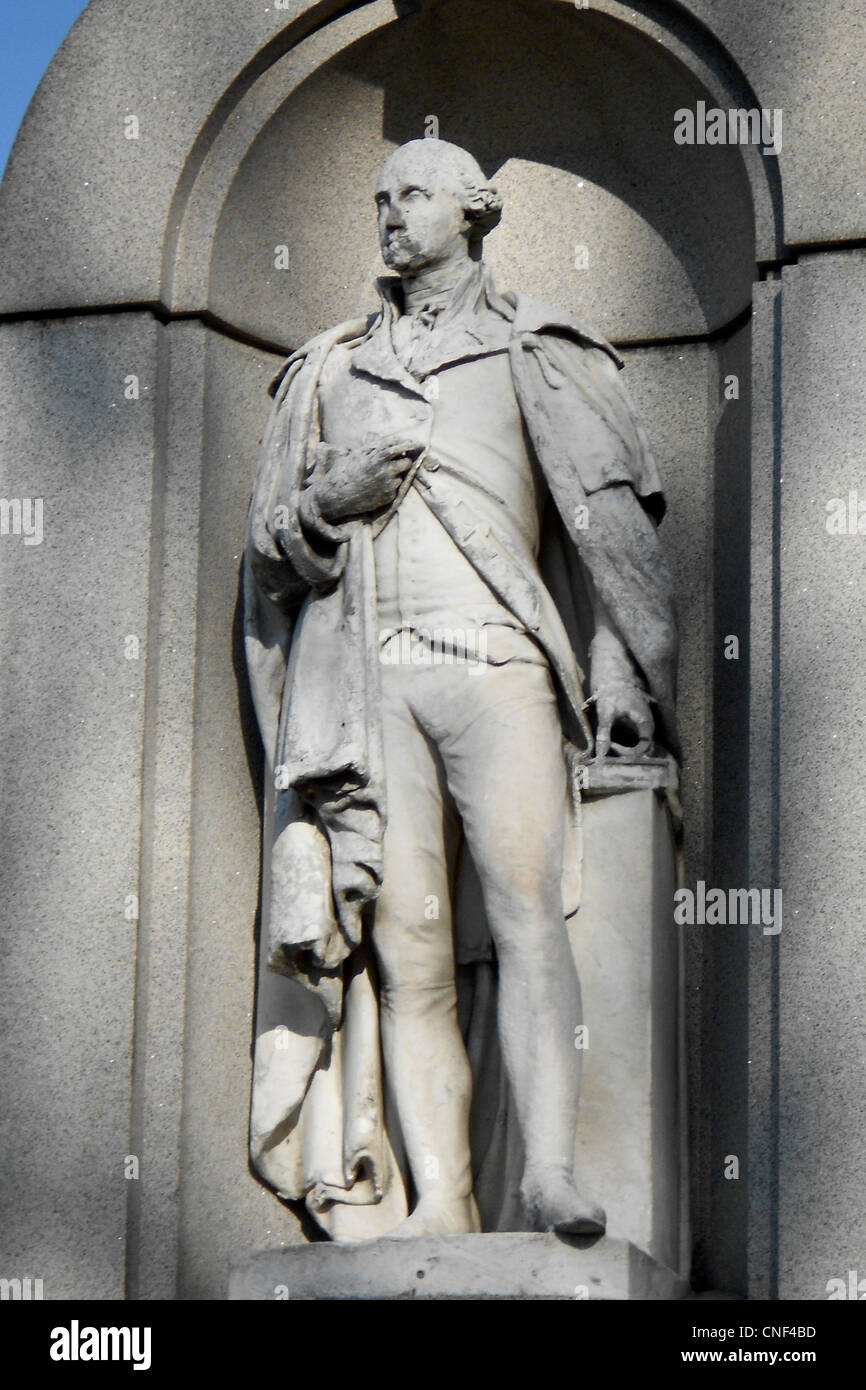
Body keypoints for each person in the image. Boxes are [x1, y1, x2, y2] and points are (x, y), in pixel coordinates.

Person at [244, 138, 678, 1241]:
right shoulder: (331, 367)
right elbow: (268, 554)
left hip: (496, 661)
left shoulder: (535, 350)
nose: (389, 213)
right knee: (409, 956)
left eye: (413, 195)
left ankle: (549, 1170)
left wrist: (624, 661)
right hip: (366, 685)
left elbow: (606, 525)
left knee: (532, 917)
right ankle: (442, 1195)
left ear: (475, 211)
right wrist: (326, 499)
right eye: (377, 196)